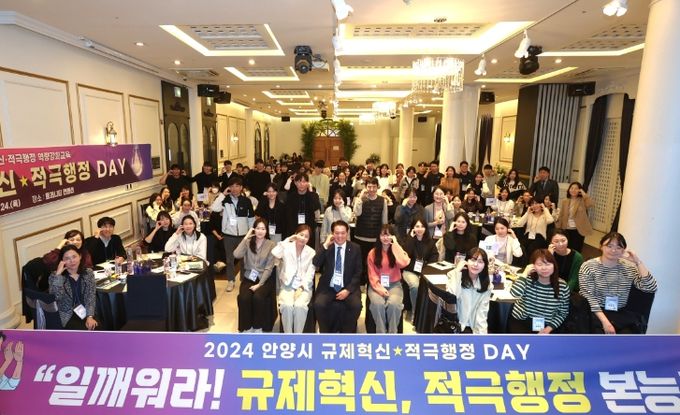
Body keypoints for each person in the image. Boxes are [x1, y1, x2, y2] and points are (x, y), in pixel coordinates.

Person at [579, 232, 658, 334]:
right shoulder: (588, 266)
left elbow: (651, 287)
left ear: (623, 250)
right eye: (609, 246)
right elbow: (588, 296)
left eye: (618, 247)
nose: (613, 250)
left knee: (626, 338)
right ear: (601, 247)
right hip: (596, 312)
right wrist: (605, 322)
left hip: (620, 313)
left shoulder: (628, 268)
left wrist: (638, 262)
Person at [313, 220, 363, 333]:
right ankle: (325, 333)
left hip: (348, 286)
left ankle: (346, 333)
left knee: (356, 306)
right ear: (332, 233)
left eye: (343, 233)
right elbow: (316, 262)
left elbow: (358, 272)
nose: (340, 236)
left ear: (347, 233)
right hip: (328, 287)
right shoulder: (327, 247)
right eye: (337, 233)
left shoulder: (355, 248)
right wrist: (325, 244)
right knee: (319, 305)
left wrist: (348, 290)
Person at [211, 177, 256, 292]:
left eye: (237, 186)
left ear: (241, 188)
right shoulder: (225, 200)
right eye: (232, 186)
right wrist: (222, 194)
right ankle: (231, 280)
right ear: (229, 188)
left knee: (244, 259)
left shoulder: (246, 201)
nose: (234, 188)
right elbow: (214, 208)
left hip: (243, 235)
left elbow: (251, 218)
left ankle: (243, 280)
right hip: (228, 235)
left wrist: (250, 234)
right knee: (229, 259)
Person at [508, 249, 570, 334]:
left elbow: (562, 313)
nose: (544, 268)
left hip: (546, 324)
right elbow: (515, 294)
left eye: (548, 264)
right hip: (521, 320)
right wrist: (525, 273)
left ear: (554, 265)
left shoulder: (562, 286)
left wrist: (548, 329)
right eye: (539, 264)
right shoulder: (527, 279)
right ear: (533, 266)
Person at [233, 219, 276, 333]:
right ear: (254, 229)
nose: (260, 231)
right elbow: (236, 254)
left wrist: (259, 284)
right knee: (244, 298)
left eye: (263, 229)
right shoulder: (248, 242)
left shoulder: (271, 244)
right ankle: (247, 327)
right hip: (249, 277)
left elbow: (269, 268)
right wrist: (246, 237)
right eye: (258, 228)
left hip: (264, 279)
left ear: (266, 231)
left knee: (258, 297)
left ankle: (258, 327)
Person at [272, 225, 316, 333]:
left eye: (306, 236)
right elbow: (275, 252)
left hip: (304, 287)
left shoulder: (311, 252)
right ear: (296, 234)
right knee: (286, 306)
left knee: (299, 306)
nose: (303, 238)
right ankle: (288, 336)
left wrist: (302, 287)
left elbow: (310, 273)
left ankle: (297, 336)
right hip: (287, 285)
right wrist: (288, 239)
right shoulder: (287, 247)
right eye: (301, 234)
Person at [366, 225, 410, 333]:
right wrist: (380, 289)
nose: (385, 238)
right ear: (379, 237)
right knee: (377, 304)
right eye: (383, 235)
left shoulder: (396, 250)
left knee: (394, 305)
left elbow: (404, 262)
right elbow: (372, 274)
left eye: (388, 235)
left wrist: (395, 244)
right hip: (376, 285)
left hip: (394, 285)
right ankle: (381, 334)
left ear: (393, 236)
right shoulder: (372, 253)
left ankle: (392, 334)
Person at [48, 245, 98, 330]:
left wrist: (90, 316)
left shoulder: (88, 273)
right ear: (62, 261)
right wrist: (58, 275)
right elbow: (56, 297)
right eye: (67, 258)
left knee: (98, 328)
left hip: (86, 311)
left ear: (80, 256)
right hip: (67, 315)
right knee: (83, 332)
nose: (72, 261)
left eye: (74, 257)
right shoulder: (55, 276)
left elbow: (90, 296)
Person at [445, 248, 493, 333]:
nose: (475, 264)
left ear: (485, 265)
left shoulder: (486, 286)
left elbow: (482, 313)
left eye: (480, 262)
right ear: (466, 261)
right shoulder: (456, 275)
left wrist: (481, 335)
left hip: (471, 326)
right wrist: (457, 271)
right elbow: (452, 296)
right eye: (473, 260)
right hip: (454, 323)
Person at [353, 177, 388, 284]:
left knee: (374, 262)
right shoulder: (360, 199)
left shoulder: (382, 200)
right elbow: (357, 213)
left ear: (378, 187)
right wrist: (360, 197)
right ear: (365, 187)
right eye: (369, 187)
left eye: (374, 187)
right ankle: (361, 283)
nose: (371, 189)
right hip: (360, 236)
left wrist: (384, 235)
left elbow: (384, 221)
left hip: (375, 237)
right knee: (361, 262)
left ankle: (372, 283)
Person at [401, 218, 438, 318]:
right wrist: (410, 239)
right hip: (410, 270)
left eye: (422, 226)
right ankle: (415, 313)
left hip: (424, 271)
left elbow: (434, 256)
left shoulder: (430, 241)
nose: (420, 229)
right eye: (417, 226)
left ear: (425, 228)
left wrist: (425, 269)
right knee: (415, 286)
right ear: (413, 228)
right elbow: (405, 256)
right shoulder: (408, 240)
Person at [284, 173, 321, 247]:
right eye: (299, 181)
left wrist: (311, 192)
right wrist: (293, 231)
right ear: (295, 183)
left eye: (304, 181)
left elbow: (317, 212)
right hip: (294, 229)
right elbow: (288, 216)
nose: (301, 184)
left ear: (308, 183)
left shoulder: (313, 196)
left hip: (309, 229)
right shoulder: (291, 197)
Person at [555, 182, 593, 252]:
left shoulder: (582, 200)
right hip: (566, 228)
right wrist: (558, 228)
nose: (573, 190)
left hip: (578, 230)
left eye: (576, 188)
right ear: (569, 190)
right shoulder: (565, 201)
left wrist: (583, 193)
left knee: (576, 249)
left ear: (579, 190)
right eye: (572, 188)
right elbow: (561, 215)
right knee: (566, 248)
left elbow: (590, 204)